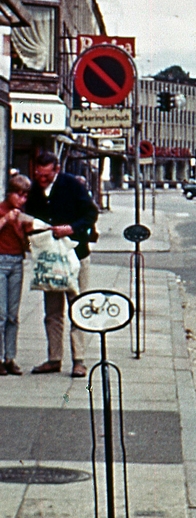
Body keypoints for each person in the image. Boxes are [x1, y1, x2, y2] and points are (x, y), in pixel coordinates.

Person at [25, 153, 99, 377]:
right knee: (53, 310)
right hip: (50, 257)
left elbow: (90, 213)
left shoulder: (72, 185)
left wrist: (70, 228)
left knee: (77, 305)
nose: (42, 179)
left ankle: (79, 360)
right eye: (38, 175)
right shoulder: (35, 190)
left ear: (56, 170)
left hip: (75, 254)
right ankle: (54, 357)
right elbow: (31, 215)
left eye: (46, 175)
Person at [0, 174, 35, 376]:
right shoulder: (2, 210)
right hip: (1, 260)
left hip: (16, 261)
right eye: (19, 195)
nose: (22, 200)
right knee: (1, 314)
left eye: (25, 196)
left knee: (13, 314)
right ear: (10, 194)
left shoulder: (21, 214)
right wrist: (6, 219)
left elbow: (26, 241)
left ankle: (10, 357)